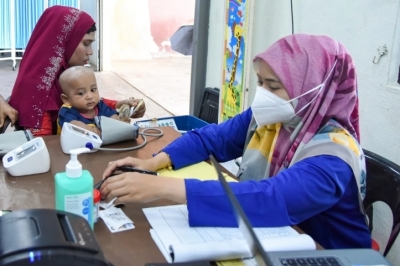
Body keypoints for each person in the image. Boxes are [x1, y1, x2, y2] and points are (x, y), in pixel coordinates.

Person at [100, 34, 371, 249]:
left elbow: (270, 199)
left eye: (273, 86)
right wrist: (154, 163)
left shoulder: (332, 157)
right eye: (260, 82)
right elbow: (213, 138)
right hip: (280, 238)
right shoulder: (274, 118)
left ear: (314, 89)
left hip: (328, 252)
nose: (263, 94)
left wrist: (161, 187)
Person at [8, 5, 145, 136]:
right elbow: (46, 145)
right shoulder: (36, 89)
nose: (90, 52)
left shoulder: (61, 74)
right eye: (86, 44)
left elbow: (81, 99)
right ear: (64, 41)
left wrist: (119, 105)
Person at [57, 66, 130, 135]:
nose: (90, 96)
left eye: (93, 90)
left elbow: (112, 116)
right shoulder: (66, 112)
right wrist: (95, 130)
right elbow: (75, 126)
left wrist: (119, 122)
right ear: (66, 99)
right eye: (81, 93)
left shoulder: (100, 105)